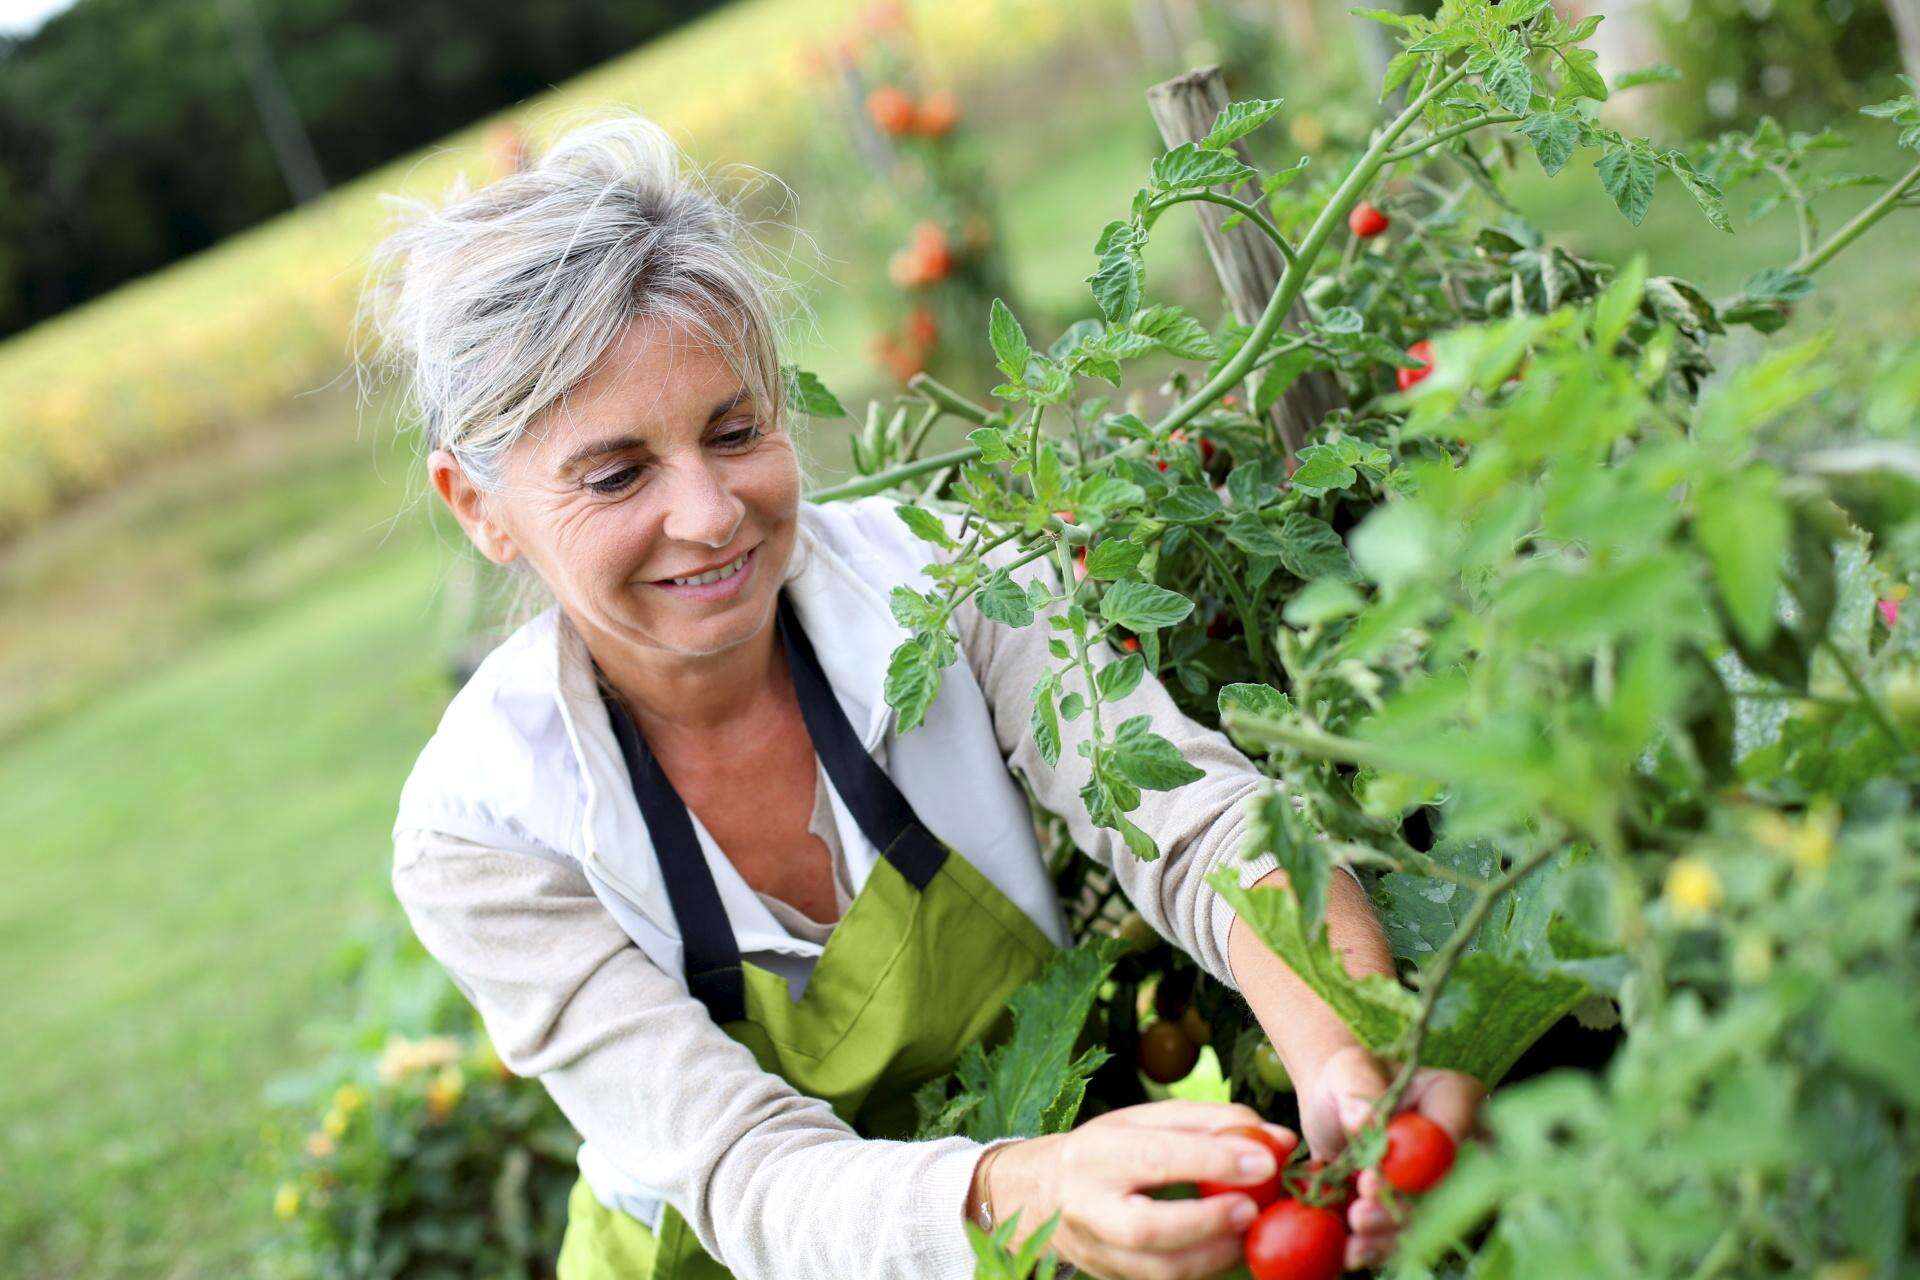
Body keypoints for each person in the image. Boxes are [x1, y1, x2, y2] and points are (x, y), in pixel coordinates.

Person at [365, 113, 1481, 1280]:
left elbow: (1199, 831)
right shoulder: (483, 827)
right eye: (617, 472)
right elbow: (746, 1171)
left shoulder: (952, 583)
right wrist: (1030, 1188)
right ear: (479, 507)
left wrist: (1351, 1047)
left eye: (737, 429)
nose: (708, 512)